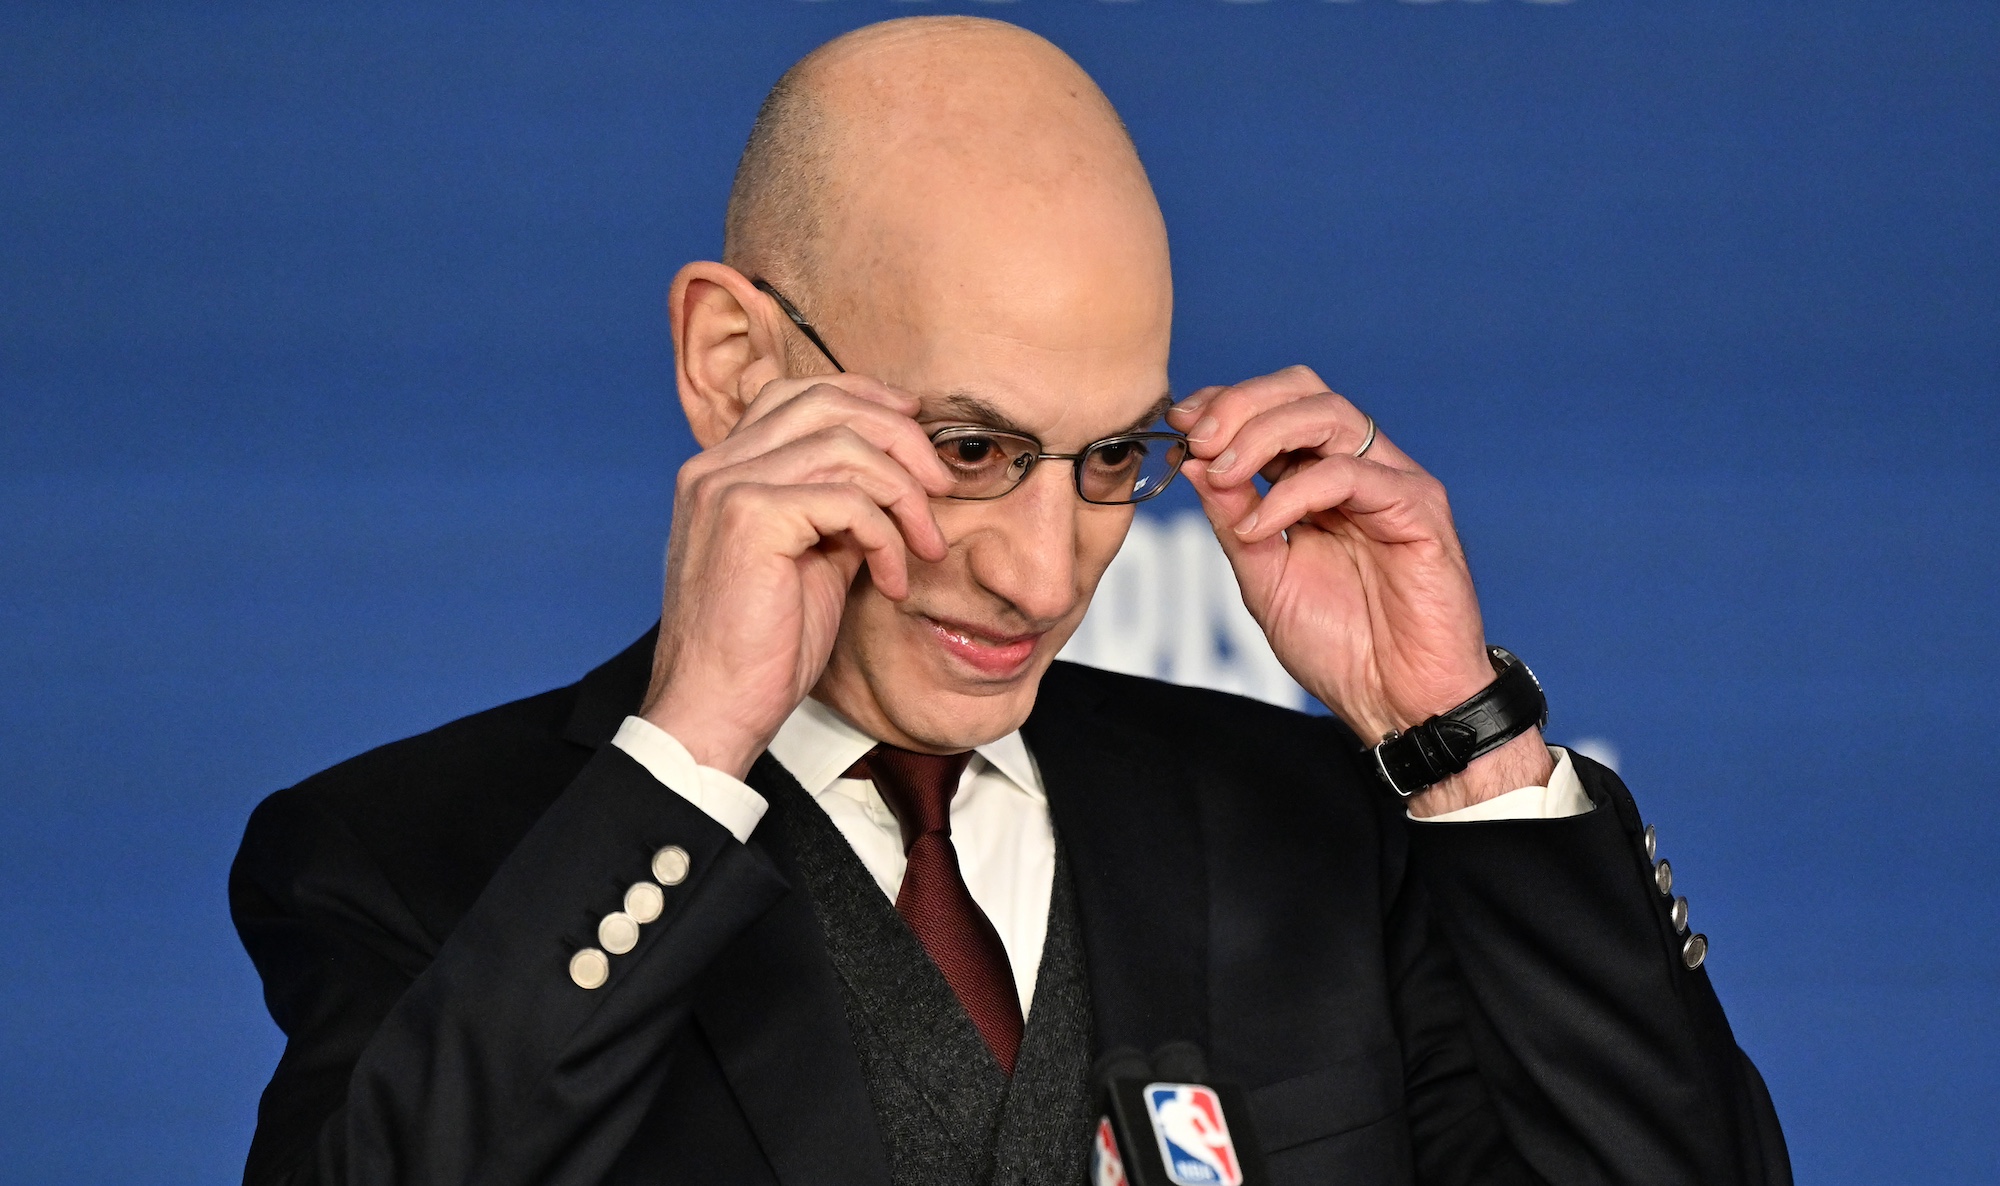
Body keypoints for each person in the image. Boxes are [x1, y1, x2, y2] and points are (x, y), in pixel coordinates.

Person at [229, 16, 1789, 1186]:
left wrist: (1466, 748)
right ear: (735, 365)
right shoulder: (408, 864)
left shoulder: (1323, 835)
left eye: (1112, 457)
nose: (1044, 574)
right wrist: (691, 753)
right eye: (970, 448)